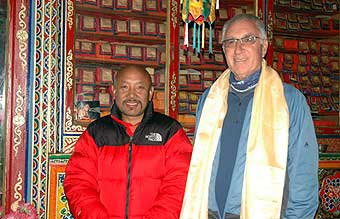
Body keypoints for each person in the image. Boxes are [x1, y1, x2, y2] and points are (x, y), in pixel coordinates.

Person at [180, 14, 319, 219]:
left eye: (248, 40)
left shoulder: (289, 101)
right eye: (231, 42)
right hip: (208, 213)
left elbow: (303, 175)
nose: (238, 49)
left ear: (263, 47)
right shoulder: (210, 99)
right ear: (223, 50)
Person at [64, 65, 192, 219]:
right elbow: (79, 182)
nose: (132, 95)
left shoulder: (169, 131)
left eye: (140, 88)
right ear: (114, 91)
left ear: (150, 93)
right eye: (125, 87)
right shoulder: (96, 133)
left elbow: (179, 184)